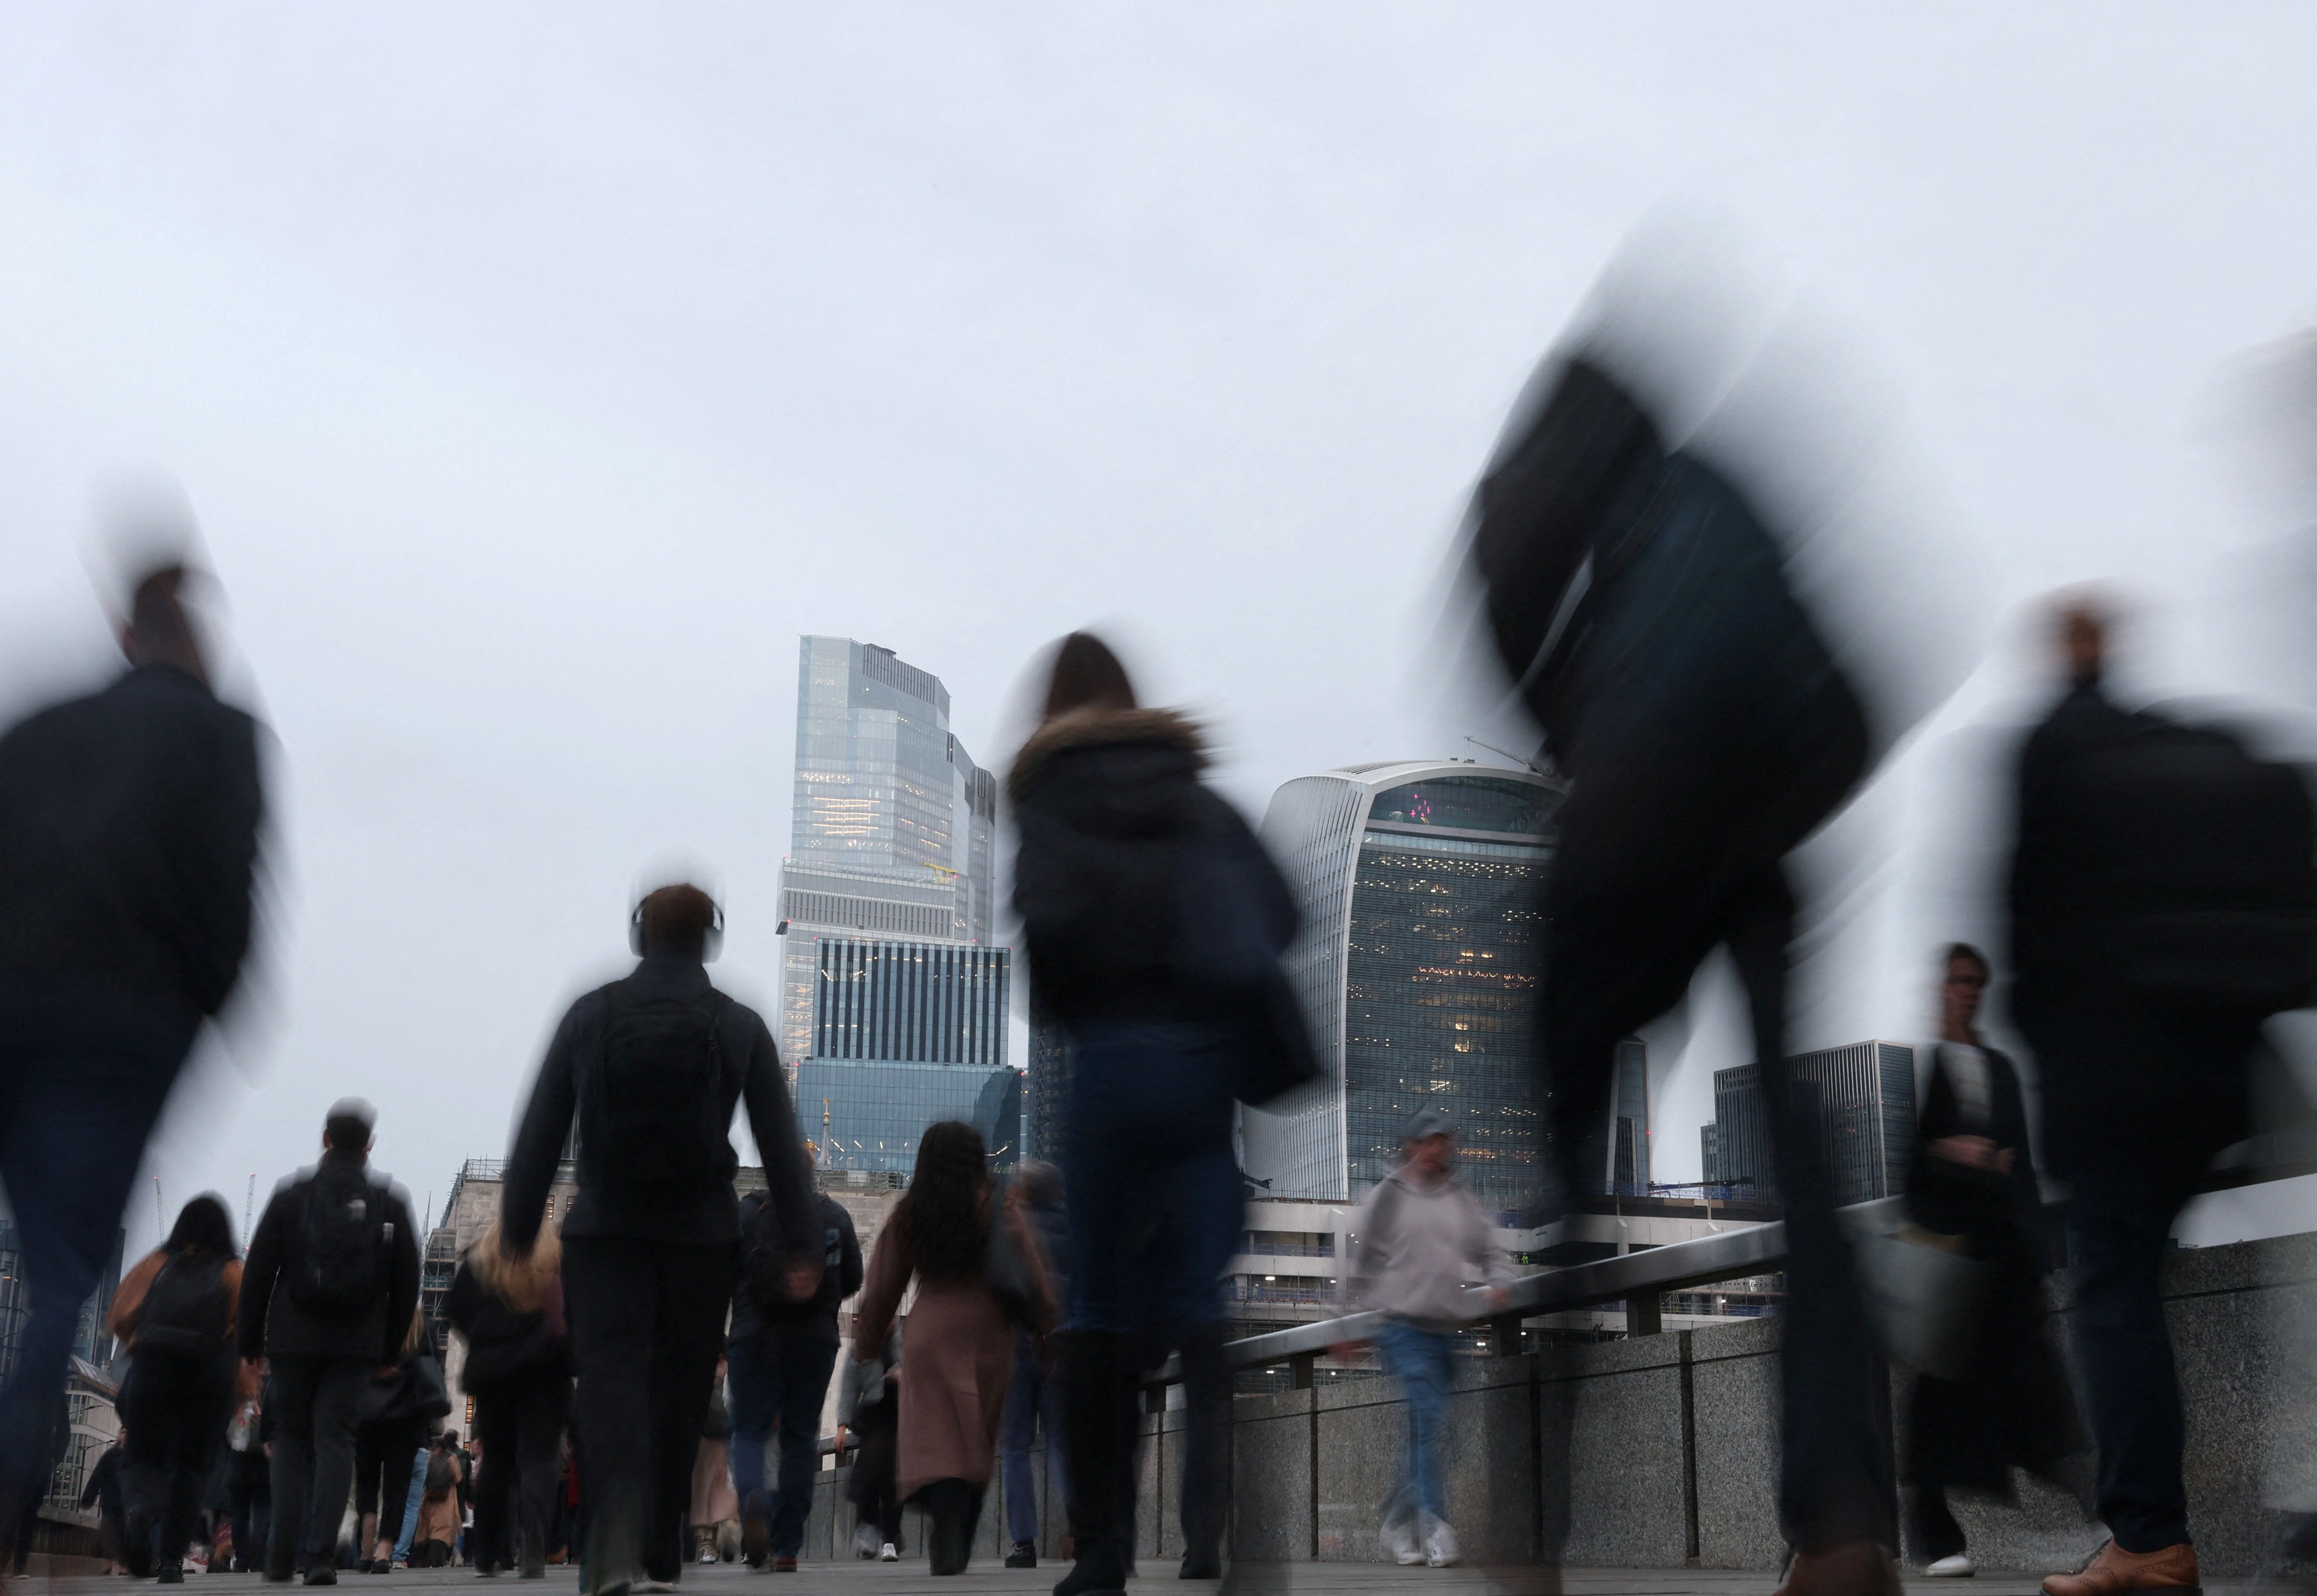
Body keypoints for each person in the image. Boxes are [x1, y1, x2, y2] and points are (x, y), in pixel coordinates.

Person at [1467, 357, 1897, 1596]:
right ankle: (1842, 1520)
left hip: (1644, 806)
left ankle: (1530, 1533)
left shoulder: (1551, 468)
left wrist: (1577, 730)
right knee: (1805, 1172)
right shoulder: (1718, 489)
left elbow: (1501, 592)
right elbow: (1849, 672)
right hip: (1763, 820)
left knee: (1567, 1193)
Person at [1009, 631, 1309, 1596]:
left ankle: (1101, 1557)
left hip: (1107, 1067)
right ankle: (1227, 1541)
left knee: (1096, 1313)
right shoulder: (1197, 794)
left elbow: (1045, 941)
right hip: (1203, 1074)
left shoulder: (1052, 795)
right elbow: (1284, 912)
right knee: (1197, 1310)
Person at [2007, 602, 2288, 1596]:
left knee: (2114, 1292)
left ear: (2060, 654)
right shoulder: (2170, 745)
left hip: (2117, 1083)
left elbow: (2026, 926)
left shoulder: (2051, 748)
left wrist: (2050, 1065)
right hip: (2220, 1069)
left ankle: (2149, 1539)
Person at [0, 560, 266, 1560]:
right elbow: (231, 909)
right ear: (195, 638)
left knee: (40, 1269)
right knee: (59, 1277)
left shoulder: (37, 726)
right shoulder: (223, 735)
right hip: (122, 1025)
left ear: (124, 634)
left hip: (11, 1004)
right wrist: (194, 1013)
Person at [498, 881, 822, 1596]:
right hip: (701, 1236)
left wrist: (518, 1227)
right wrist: (801, 1244)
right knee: (680, 1391)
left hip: (605, 1229)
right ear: (711, 938)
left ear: (641, 933)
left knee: (611, 1375)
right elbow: (777, 1143)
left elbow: (541, 1131)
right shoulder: (737, 1023)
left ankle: (613, 1515)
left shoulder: (592, 1012)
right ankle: (663, 1549)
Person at [1902, 943, 2087, 1577]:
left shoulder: (2000, 1070)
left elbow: (2027, 1171)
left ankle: (2102, 1513)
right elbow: (1908, 1178)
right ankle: (1937, 1538)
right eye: (1957, 981)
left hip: (2003, 1263)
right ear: (1942, 988)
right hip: (1954, 1265)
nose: (1967, 992)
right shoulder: (1930, 1072)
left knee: (2033, 1391)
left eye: (1976, 982)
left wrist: (2040, 1267)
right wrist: (1952, 1151)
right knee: (1939, 1404)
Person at [850, 1121, 1051, 1577]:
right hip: (992, 1333)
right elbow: (1033, 1267)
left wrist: (866, 1342)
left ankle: (944, 1511)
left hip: (931, 1329)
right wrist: (1046, 1327)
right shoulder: (1000, 1204)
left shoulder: (911, 1210)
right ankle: (961, 1527)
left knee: (936, 1433)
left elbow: (883, 1285)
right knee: (978, 1435)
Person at [239, 1099, 423, 1585]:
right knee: (336, 1439)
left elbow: (259, 1272)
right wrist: (389, 1349)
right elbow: (408, 1281)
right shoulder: (390, 1202)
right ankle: (320, 1555)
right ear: (369, 1145)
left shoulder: (291, 1195)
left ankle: (280, 1555)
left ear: (324, 1138)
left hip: (293, 1337)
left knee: (292, 1439)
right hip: (356, 1342)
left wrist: (249, 1341)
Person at [1330, 1110, 1511, 1570]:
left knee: (1436, 1433)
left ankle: (1394, 1520)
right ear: (1410, 1144)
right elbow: (1358, 1262)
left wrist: (1498, 1279)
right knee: (1427, 1423)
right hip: (1401, 1328)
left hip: (1445, 1331)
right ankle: (1435, 1528)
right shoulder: (1388, 1197)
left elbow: (1487, 1245)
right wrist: (1343, 1325)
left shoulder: (1458, 1196)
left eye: (1442, 1142)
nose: (1435, 1150)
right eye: (1427, 1142)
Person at [108, 1194, 252, 1581]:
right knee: (192, 1469)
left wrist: (142, 1341)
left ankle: (139, 1509)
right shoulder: (233, 1271)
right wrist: (242, 1391)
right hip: (208, 1380)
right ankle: (171, 1560)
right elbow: (248, 1339)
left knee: (144, 1457)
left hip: (154, 1371)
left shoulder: (156, 1262)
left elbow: (119, 1313)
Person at [729, 1168, 861, 1571]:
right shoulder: (835, 1216)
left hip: (754, 1336)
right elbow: (854, 1278)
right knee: (800, 1438)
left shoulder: (748, 1213)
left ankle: (754, 1498)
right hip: (815, 1339)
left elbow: (726, 1269)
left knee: (749, 1431)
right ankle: (787, 1545)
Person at [445, 1222, 572, 1580]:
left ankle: (486, 1550)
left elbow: (456, 1309)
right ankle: (534, 1537)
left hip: (496, 1372)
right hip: (547, 1369)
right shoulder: (557, 1259)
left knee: (498, 1461)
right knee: (540, 1457)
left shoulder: (481, 1260)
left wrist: (485, 1339)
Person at [998, 1161, 1069, 1570]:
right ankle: (1075, 1527)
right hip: (1062, 1345)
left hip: (1018, 1346)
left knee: (1015, 1447)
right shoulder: (1076, 1230)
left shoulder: (1012, 1229)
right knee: (1061, 1441)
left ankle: (1023, 1542)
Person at [352, 1313, 448, 1574]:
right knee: (398, 1488)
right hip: (406, 1418)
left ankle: (366, 1549)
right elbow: (434, 1370)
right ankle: (385, 1550)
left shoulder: (368, 1320)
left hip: (367, 1414)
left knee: (367, 1481)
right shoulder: (420, 1325)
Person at [837, 1332, 902, 1561]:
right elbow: (849, 1388)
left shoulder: (903, 1341)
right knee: (870, 1479)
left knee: (894, 1482)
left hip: (900, 1416)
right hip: (874, 1418)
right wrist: (842, 1426)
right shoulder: (860, 1348)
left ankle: (890, 1539)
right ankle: (870, 1531)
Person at [687, 1371, 737, 1565]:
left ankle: (708, 1542)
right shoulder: (732, 1360)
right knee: (724, 1487)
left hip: (704, 1436)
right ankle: (729, 1528)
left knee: (702, 1490)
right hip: (726, 1436)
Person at [411, 1433, 463, 1567]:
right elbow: (458, 1478)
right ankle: (437, 1560)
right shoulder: (452, 1458)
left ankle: (422, 1560)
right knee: (441, 1531)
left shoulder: (428, 1457)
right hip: (446, 1498)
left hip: (429, 1497)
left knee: (426, 1529)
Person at [82, 1432, 129, 1574]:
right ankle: (108, 1560)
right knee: (107, 1531)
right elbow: (97, 1476)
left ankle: (123, 1564)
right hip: (110, 1502)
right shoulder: (110, 1456)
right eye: (123, 1432)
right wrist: (88, 1498)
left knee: (126, 1533)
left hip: (129, 1503)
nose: (125, 1436)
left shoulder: (137, 1457)